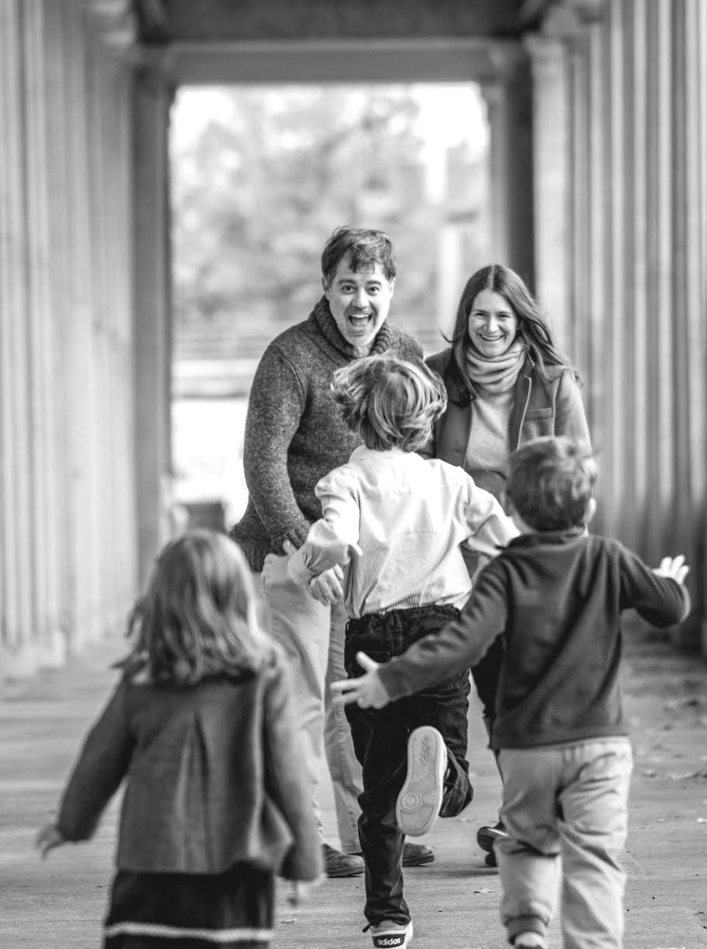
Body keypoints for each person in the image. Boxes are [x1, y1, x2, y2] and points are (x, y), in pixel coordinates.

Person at [333, 436, 690, 949]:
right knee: (595, 852)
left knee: (526, 845)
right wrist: (671, 583)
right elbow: (668, 608)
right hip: (600, 745)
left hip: (526, 749)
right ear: (588, 507)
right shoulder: (607, 558)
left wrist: (390, 678)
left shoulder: (504, 572)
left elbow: (461, 644)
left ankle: (527, 930)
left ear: (516, 511)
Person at [287, 354, 518, 948]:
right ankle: (443, 771)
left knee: (381, 789)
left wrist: (315, 561)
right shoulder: (448, 480)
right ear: (421, 423)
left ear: (355, 418)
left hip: (372, 645)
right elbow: (504, 540)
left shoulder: (345, 481)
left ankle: (388, 915)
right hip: (443, 634)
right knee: (452, 774)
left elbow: (332, 536)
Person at [229, 226, 432, 878]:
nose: (360, 301)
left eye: (373, 287)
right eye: (348, 286)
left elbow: (418, 451)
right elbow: (264, 466)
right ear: (326, 288)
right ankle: (299, 835)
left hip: (368, 560)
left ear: (391, 289)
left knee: (360, 697)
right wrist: (310, 552)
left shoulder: (404, 353)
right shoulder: (290, 358)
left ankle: (372, 831)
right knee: (302, 698)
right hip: (291, 552)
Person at [35, 530, 323, 949]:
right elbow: (287, 772)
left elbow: (101, 756)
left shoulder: (145, 675)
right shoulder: (264, 674)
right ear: (238, 595)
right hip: (237, 873)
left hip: (150, 864)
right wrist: (304, 860)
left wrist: (71, 823)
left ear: (161, 598)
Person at [426, 263, 592, 865]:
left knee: (519, 694)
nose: (490, 326)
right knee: (481, 688)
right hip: (457, 562)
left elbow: (578, 473)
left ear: (521, 319)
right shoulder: (437, 377)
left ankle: (523, 819)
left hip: (531, 561)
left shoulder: (553, 381)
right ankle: (510, 810)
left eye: (503, 315)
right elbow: (419, 469)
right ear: (464, 318)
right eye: (480, 314)